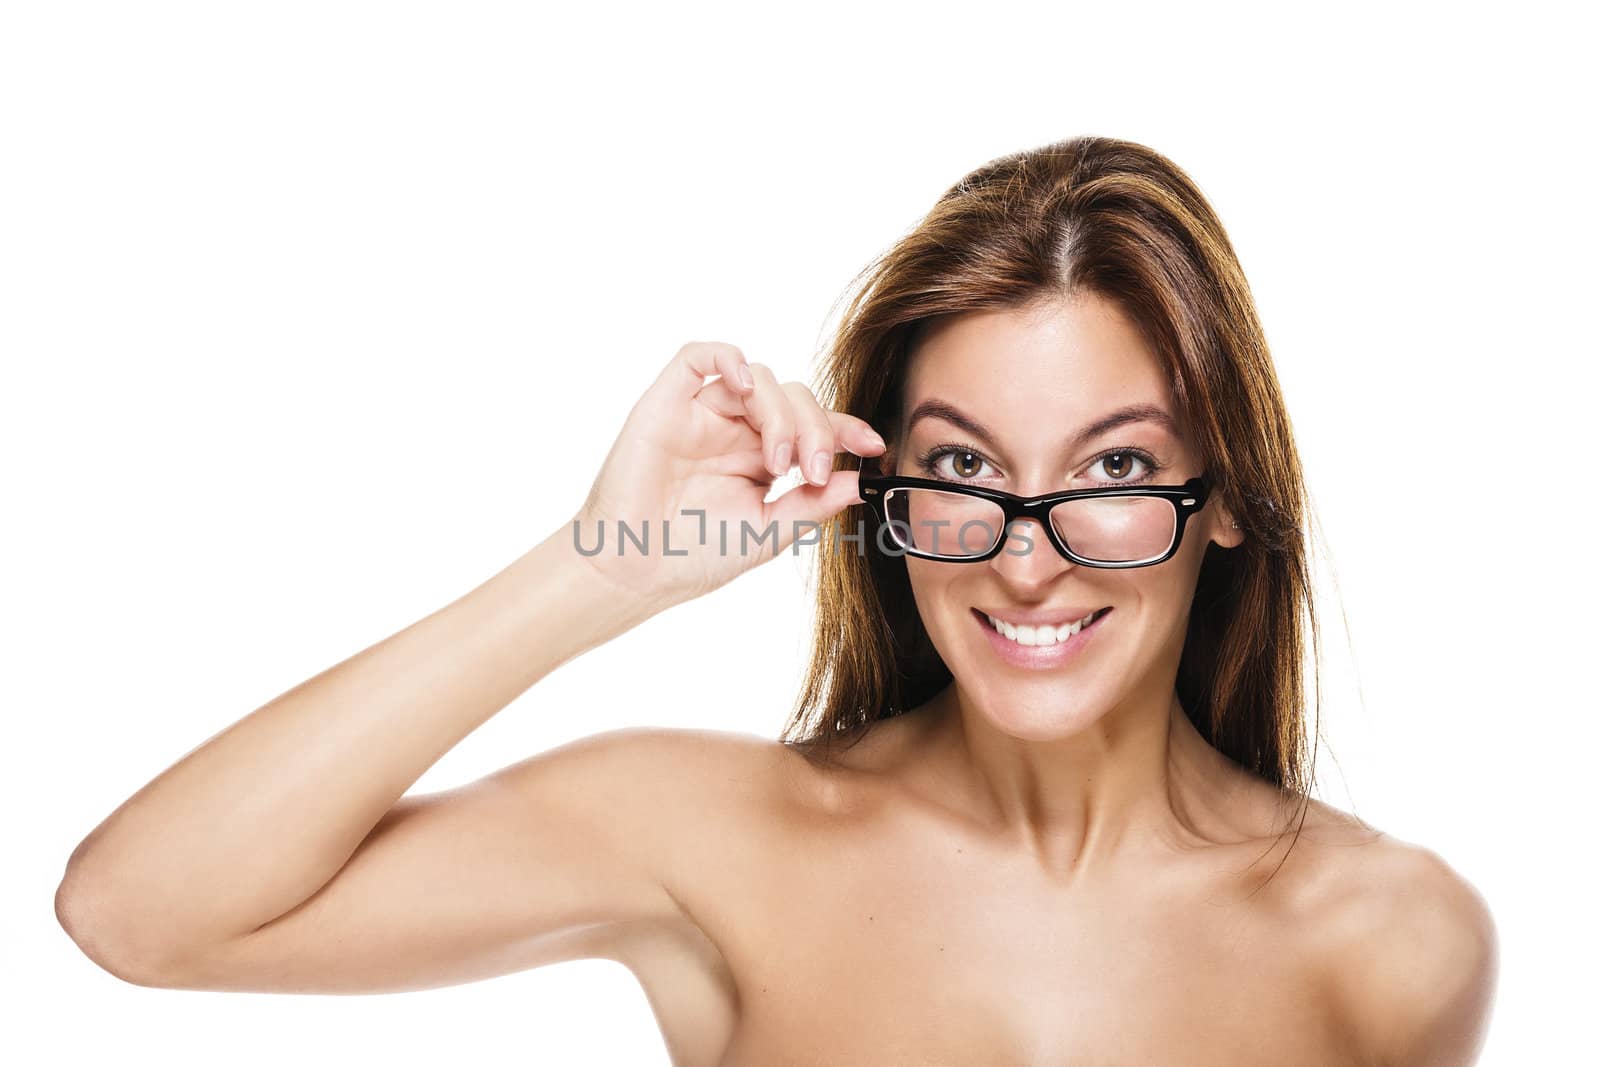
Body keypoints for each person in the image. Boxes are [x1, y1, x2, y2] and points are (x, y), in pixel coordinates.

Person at [54, 135, 1497, 1065]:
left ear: (1227, 495)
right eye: (963, 467)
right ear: (886, 495)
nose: (1026, 555)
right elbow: (142, 914)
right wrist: (597, 570)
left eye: (1115, 465)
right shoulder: (710, 841)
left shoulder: (1394, 942)